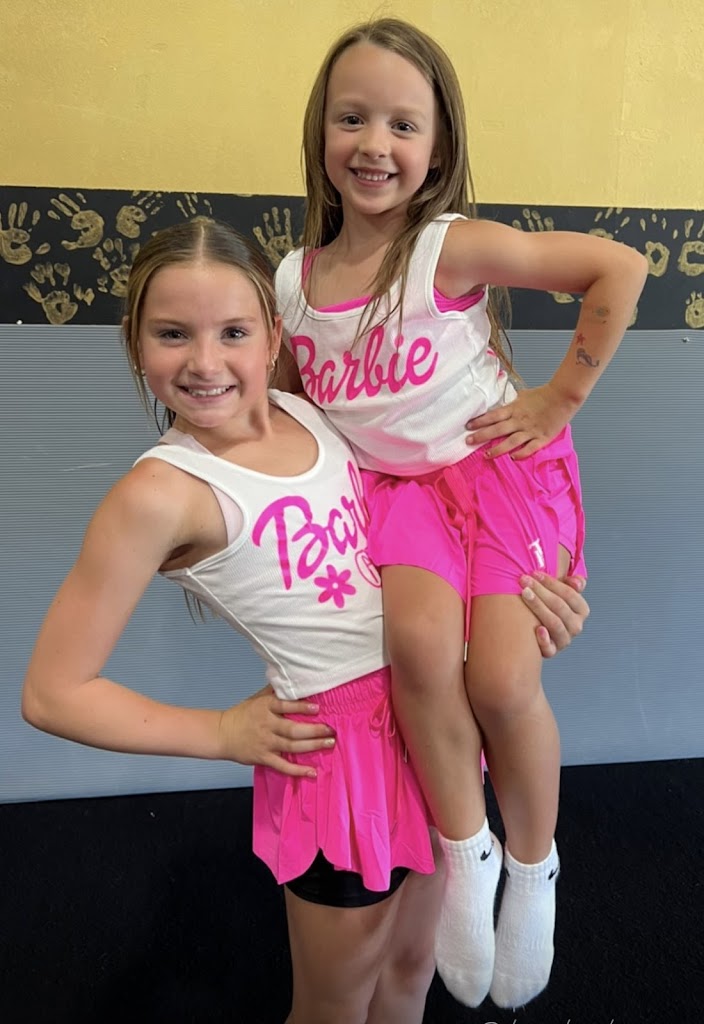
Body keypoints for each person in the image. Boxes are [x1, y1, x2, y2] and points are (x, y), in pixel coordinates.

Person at [22, 219, 589, 1024]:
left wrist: (536, 605)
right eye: (173, 334)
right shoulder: (159, 494)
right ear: (136, 340)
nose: (205, 361)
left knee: (411, 971)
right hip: (342, 762)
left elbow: (446, 530)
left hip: (434, 719)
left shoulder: (315, 410)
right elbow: (53, 693)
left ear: (274, 332)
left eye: (233, 332)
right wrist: (220, 732)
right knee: (337, 1000)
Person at [274, 17, 648, 1010]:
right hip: (399, 499)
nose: (374, 144)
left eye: (403, 125)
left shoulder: (446, 246)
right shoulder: (291, 283)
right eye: (351, 118)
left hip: (497, 474)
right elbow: (289, 415)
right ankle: (464, 848)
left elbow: (618, 267)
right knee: (418, 652)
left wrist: (559, 396)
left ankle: (533, 865)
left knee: (502, 677)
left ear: (437, 150)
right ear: (319, 131)